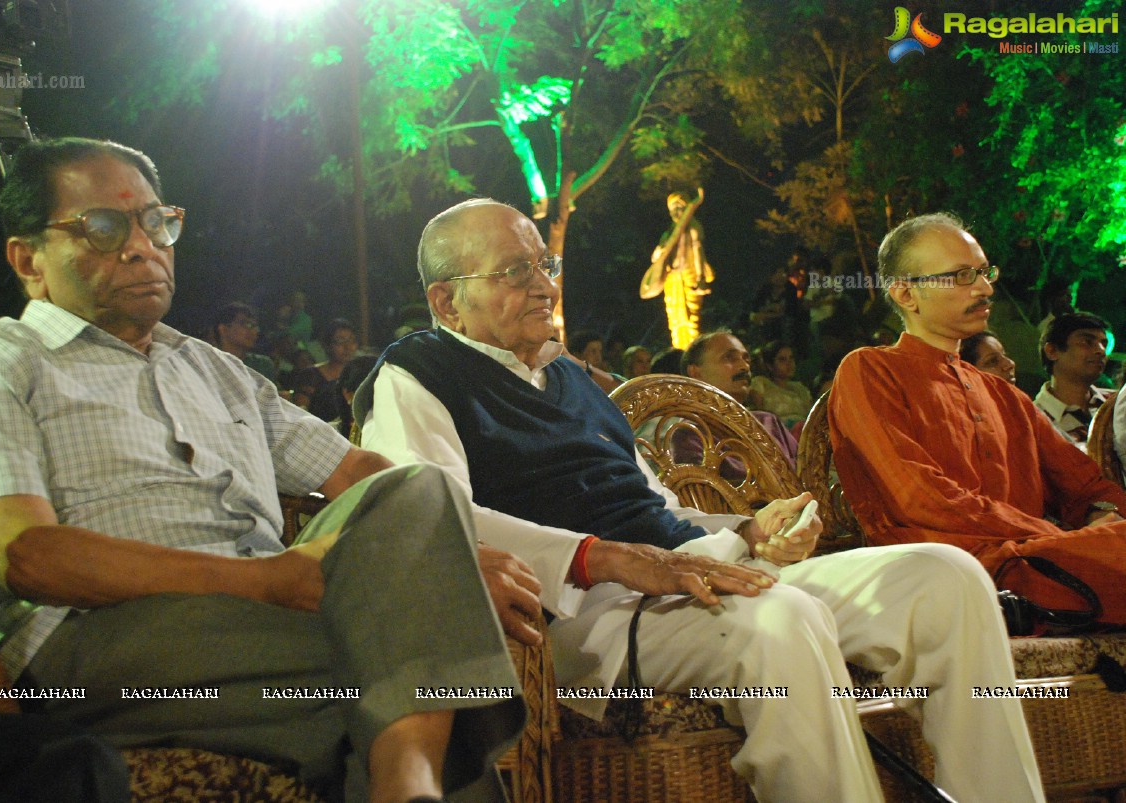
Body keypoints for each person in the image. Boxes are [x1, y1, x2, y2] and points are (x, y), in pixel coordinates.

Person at [356, 198, 1043, 803]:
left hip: (687, 575)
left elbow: (650, 503)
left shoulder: (571, 379)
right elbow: (424, 515)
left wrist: (748, 526)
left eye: (545, 266)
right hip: (584, 613)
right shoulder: (418, 373)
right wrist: (602, 558)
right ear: (447, 302)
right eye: (515, 272)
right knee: (778, 618)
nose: (543, 286)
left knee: (944, 578)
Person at [0, 139, 526, 803]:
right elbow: (26, 555)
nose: (139, 246)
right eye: (101, 228)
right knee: (428, 660)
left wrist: (445, 561)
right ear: (27, 260)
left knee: (413, 488)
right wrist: (263, 580)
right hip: (101, 637)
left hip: (266, 619)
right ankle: (408, 778)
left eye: (155, 222)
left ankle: (402, 780)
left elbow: (359, 472)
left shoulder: (213, 368)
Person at [829, 211, 1126, 623]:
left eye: (984, 273)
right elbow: (917, 497)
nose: (985, 288)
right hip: (942, 571)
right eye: (961, 276)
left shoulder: (1004, 395)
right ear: (906, 295)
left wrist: (1099, 513)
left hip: (1033, 558)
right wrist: (1054, 535)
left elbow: (1086, 483)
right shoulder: (870, 370)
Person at [680, 330, 799, 470]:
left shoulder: (768, 422)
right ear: (695, 372)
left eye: (746, 359)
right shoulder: (690, 433)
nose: (744, 366)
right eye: (729, 358)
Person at [639, 188, 713, 350]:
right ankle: (679, 349)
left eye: (680, 207)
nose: (676, 212)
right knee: (675, 317)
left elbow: (697, 250)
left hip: (690, 277)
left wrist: (701, 278)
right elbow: (656, 258)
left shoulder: (693, 227)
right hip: (672, 278)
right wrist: (660, 250)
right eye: (673, 209)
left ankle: (691, 350)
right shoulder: (669, 233)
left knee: (690, 317)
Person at [1033, 312, 1113, 451]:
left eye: (1103, 344)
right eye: (1087, 342)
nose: (1101, 351)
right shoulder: (1034, 420)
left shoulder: (1117, 403)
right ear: (1052, 351)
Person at [749, 340, 814, 429]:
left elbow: (812, 418)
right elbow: (759, 417)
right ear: (770, 366)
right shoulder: (761, 383)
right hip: (776, 433)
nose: (789, 363)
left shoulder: (800, 388)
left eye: (791, 358)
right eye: (782, 360)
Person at [208, 301, 278, 383]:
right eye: (247, 324)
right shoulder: (207, 362)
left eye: (255, 326)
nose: (255, 331)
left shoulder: (261, 364)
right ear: (224, 329)